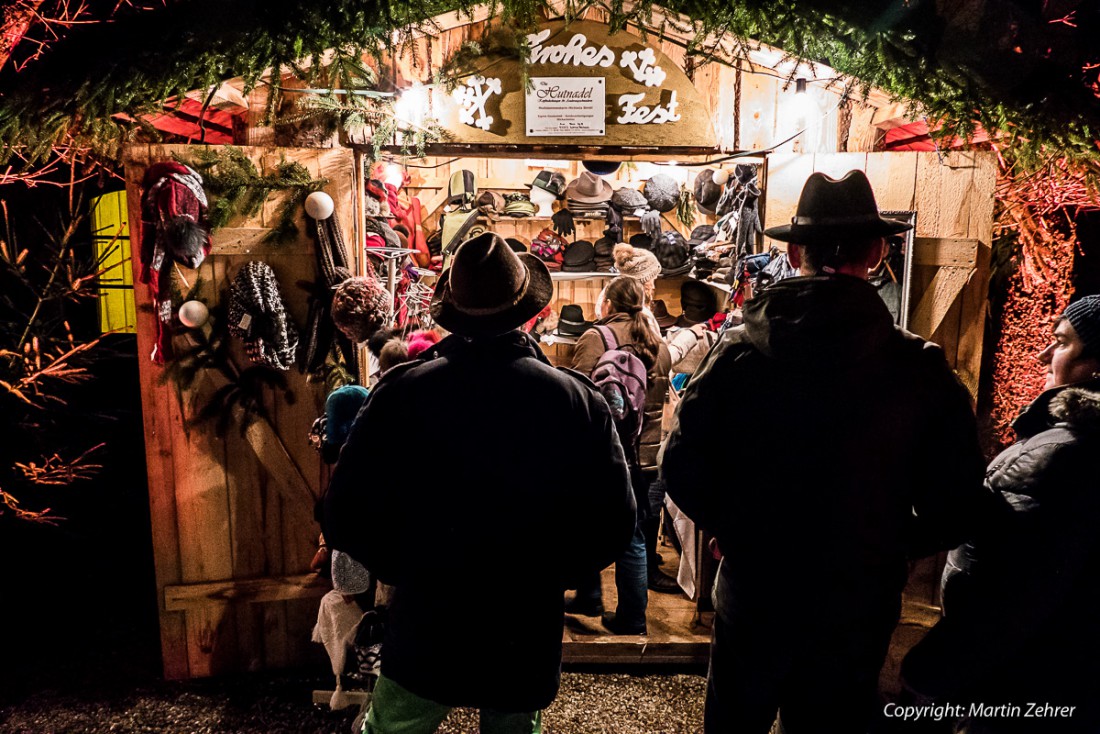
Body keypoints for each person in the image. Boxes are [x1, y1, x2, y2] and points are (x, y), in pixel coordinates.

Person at [660, 170, 993, 734]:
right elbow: (958, 500)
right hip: (856, 598)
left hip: (757, 583)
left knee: (735, 721)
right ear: (880, 251)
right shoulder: (918, 368)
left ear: (793, 253)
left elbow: (682, 465)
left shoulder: (738, 355)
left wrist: (729, 525)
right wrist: (888, 544)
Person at [322, 232, 636, 734]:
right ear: (527, 312)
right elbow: (615, 520)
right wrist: (548, 573)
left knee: (394, 729)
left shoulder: (401, 393)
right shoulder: (574, 400)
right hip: (523, 620)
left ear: (455, 308)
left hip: (427, 616)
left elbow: (344, 512)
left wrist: (403, 568)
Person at [902, 295, 1100, 733]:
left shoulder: (1058, 458)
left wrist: (931, 673)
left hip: (1020, 684)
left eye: (1062, 343)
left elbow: (1006, 594)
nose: (1045, 354)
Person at [567, 275, 674, 632]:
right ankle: (615, 605)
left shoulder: (596, 338)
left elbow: (578, 398)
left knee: (597, 527)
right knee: (635, 531)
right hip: (648, 454)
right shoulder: (659, 344)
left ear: (609, 305)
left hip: (608, 452)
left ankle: (624, 614)